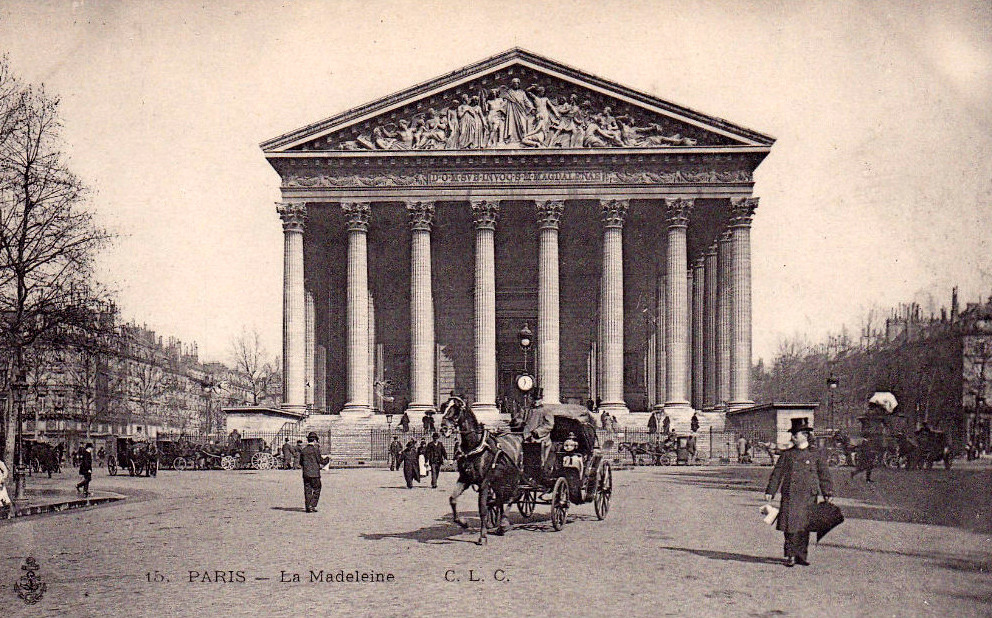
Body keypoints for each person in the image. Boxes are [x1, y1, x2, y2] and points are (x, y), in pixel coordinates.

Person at [764, 420, 833, 567]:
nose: (792, 438)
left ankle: (802, 555)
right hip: (790, 494)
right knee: (790, 527)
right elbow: (777, 473)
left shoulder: (816, 454)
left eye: (795, 435)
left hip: (808, 495)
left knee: (804, 526)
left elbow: (824, 474)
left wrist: (827, 491)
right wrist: (771, 490)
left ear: (804, 436)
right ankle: (790, 555)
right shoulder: (788, 454)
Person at [300, 432, 330, 513]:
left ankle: (308, 506)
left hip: (306, 473)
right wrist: (328, 458)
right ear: (314, 440)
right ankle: (312, 505)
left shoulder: (303, 450)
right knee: (317, 488)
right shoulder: (315, 450)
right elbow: (321, 461)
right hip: (315, 473)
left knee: (307, 490)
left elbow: (301, 462)